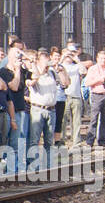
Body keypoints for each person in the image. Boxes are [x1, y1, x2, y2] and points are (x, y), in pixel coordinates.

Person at [26, 50, 67, 172]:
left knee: (49, 140)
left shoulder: (52, 73)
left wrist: (61, 70)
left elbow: (65, 83)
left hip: (51, 110)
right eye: (44, 61)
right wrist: (38, 69)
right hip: (38, 109)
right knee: (35, 140)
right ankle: (34, 167)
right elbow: (32, 82)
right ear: (38, 61)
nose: (47, 64)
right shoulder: (31, 73)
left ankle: (49, 166)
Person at [3, 43, 32, 173]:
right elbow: (14, 87)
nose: (19, 59)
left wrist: (27, 57)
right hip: (8, 111)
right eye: (16, 56)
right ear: (9, 57)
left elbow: (35, 73)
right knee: (9, 142)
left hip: (20, 109)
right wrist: (17, 71)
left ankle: (17, 169)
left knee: (19, 141)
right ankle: (9, 170)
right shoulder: (4, 72)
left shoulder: (22, 70)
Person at [85, 50, 105, 147]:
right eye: (101, 58)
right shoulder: (92, 69)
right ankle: (90, 141)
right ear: (97, 59)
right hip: (97, 95)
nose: (103, 60)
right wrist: (99, 80)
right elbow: (87, 83)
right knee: (94, 118)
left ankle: (102, 141)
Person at [61, 47, 89, 148]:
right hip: (64, 96)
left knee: (76, 121)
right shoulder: (61, 65)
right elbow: (55, 68)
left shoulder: (76, 66)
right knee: (63, 121)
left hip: (76, 95)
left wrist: (77, 60)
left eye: (71, 54)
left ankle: (76, 142)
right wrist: (62, 57)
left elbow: (84, 71)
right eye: (67, 54)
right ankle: (62, 141)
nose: (69, 56)